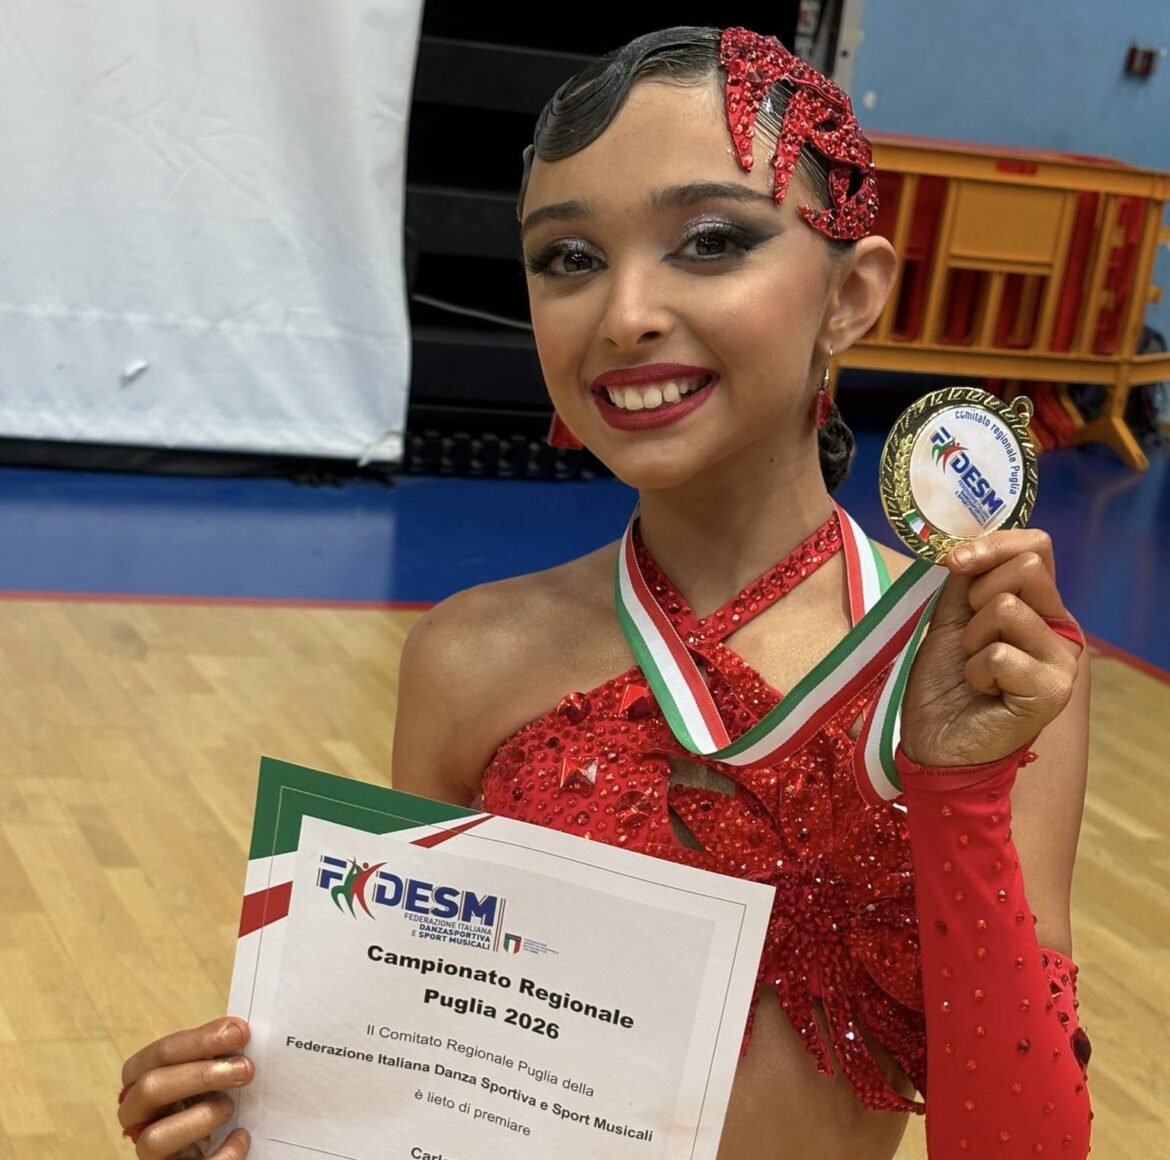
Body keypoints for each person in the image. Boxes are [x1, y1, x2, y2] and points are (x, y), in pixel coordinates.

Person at [116, 25, 1093, 1160]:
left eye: (711, 241)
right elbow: (424, 1084)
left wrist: (958, 790)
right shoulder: (468, 656)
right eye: (569, 258)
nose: (624, 312)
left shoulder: (980, 667)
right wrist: (267, 1129)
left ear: (852, 292)